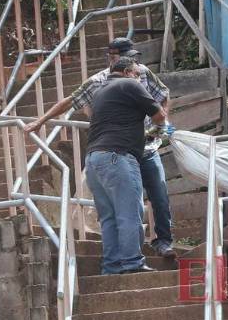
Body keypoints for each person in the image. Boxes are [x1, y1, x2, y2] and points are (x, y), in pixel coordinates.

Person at [26, 57, 167, 274]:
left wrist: (39, 122)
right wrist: (156, 131)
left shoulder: (100, 91)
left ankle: (111, 266)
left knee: (108, 218)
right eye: (137, 74)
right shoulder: (130, 85)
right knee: (130, 212)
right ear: (127, 72)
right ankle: (133, 263)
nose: (140, 78)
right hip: (118, 157)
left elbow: (73, 103)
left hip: (93, 161)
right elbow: (160, 115)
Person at [77, 37, 176, 258]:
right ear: (113, 59)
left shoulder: (141, 73)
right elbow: (78, 102)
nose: (136, 71)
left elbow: (163, 95)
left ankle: (158, 243)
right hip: (120, 151)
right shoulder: (100, 81)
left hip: (145, 148)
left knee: (158, 196)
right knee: (130, 207)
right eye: (128, 60)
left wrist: (161, 126)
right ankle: (131, 259)